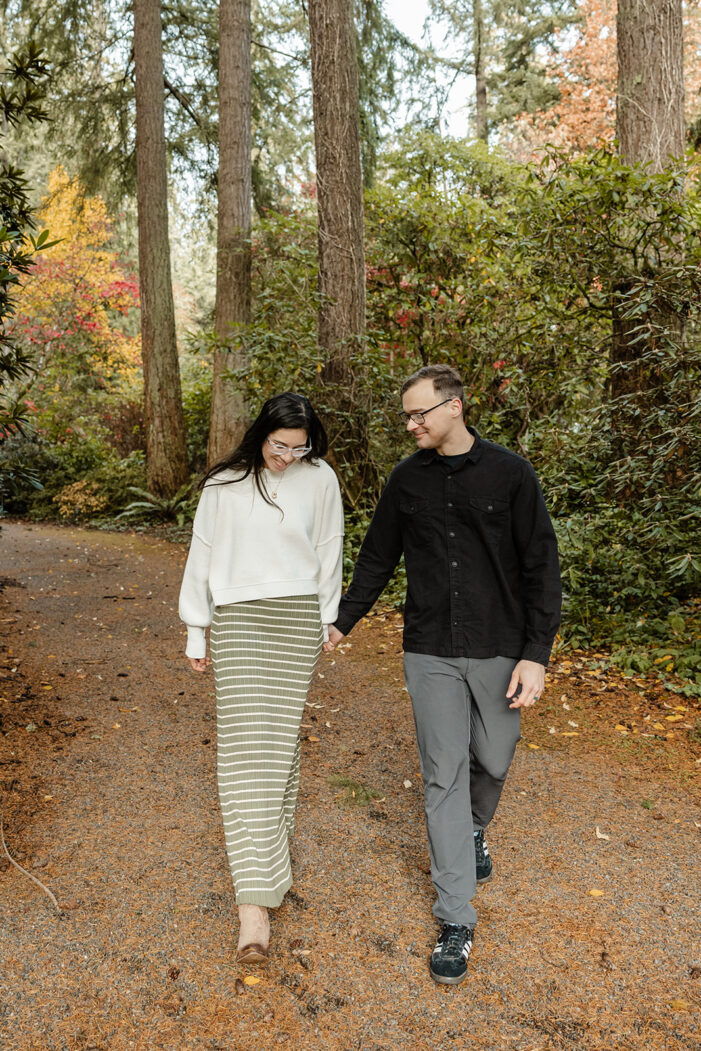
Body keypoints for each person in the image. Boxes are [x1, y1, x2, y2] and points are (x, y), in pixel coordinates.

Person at [326, 364, 561, 985]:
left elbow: (542, 564)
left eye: (420, 413)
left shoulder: (511, 474)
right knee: (443, 776)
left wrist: (536, 653)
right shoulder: (406, 480)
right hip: (428, 647)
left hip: (500, 648)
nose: (412, 424)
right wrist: (342, 622)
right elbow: (377, 556)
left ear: (455, 407)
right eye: (408, 415)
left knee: (495, 757)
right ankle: (455, 918)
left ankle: (474, 832)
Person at [179, 392, 344, 963]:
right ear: (262, 435)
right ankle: (253, 907)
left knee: (276, 750)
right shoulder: (223, 484)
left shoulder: (320, 478)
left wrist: (329, 618)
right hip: (239, 620)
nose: (289, 457)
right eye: (281, 446)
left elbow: (329, 548)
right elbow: (202, 555)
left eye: (301, 448)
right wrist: (195, 630)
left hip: (296, 620)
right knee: (245, 751)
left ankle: (268, 867)